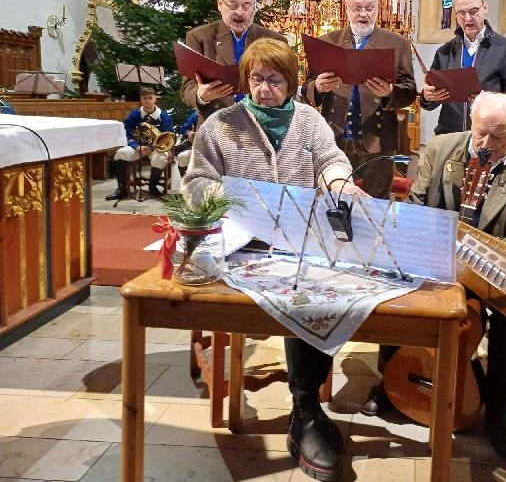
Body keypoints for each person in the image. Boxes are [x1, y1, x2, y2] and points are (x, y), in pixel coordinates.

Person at [182, 38, 364, 482]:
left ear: (291, 82)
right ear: (245, 81)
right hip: (241, 247)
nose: (264, 88)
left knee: (321, 294)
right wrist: (224, 200)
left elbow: (331, 160)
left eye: (275, 79)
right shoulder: (221, 125)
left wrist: (339, 183)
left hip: (299, 241)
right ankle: (307, 410)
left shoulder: (310, 120)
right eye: (257, 79)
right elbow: (198, 180)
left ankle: (305, 405)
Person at [361, 92, 506, 461]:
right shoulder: (440, 148)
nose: (485, 145)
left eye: (499, 137)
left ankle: (499, 403)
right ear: (470, 120)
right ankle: (389, 379)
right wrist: (434, 245)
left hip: (492, 265)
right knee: (394, 283)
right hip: (435, 254)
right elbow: (417, 207)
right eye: (480, 133)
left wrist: (478, 253)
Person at [302, 0, 417, 199]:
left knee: (375, 202)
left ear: (378, 8)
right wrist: (317, 87)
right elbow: (307, 86)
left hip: (378, 138)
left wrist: (390, 93)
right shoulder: (328, 41)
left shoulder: (396, 43)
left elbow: (410, 91)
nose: (363, 14)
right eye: (357, 8)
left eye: (369, 8)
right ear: (347, 8)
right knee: (333, 198)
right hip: (335, 137)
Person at [180, 0, 286, 128]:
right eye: (233, 5)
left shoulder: (275, 41)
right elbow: (187, 88)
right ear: (220, 3)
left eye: (246, 6)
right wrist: (201, 95)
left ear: (254, 7)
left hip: (261, 127)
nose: (240, 12)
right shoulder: (199, 37)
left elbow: (286, 85)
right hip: (215, 126)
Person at [421, 0, 506, 135]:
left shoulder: (504, 49)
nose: (467, 18)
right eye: (461, 13)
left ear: (485, 8)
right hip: (450, 136)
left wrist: (489, 101)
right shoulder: (444, 52)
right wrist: (427, 96)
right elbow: (428, 104)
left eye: (473, 10)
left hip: (488, 137)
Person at [105, 86, 175, 201]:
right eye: (144, 98)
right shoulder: (135, 115)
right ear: (141, 100)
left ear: (155, 99)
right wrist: (135, 146)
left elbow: (168, 135)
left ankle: (152, 188)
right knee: (120, 154)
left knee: (160, 158)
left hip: (156, 148)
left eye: (150, 98)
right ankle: (122, 189)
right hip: (138, 147)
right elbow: (126, 132)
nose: (147, 100)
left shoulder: (163, 116)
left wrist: (151, 147)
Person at [175, 110, 197, 177]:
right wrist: (189, 133)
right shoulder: (197, 113)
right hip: (197, 147)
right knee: (181, 156)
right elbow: (184, 128)